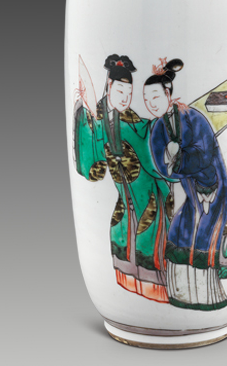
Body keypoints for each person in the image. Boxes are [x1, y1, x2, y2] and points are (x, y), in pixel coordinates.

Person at [73, 54, 172, 303]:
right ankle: (133, 290)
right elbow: (94, 159)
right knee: (128, 229)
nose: (125, 98)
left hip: (142, 190)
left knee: (147, 231)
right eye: (120, 91)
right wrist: (83, 114)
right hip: (128, 193)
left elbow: (146, 136)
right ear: (109, 86)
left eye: (129, 92)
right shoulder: (103, 119)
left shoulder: (127, 120)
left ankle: (148, 289)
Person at [143, 58, 227, 311]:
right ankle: (182, 294)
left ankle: (207, 297)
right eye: (146, 99)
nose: (151, 104)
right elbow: (163, 168)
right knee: (179, 233)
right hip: (191, 194)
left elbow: (205, 154)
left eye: (155, 97)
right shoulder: (158, 128)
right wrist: (168, 160)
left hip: (214, 187)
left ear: (168, 94)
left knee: (205, 236)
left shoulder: (192, 117)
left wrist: (178, 158)